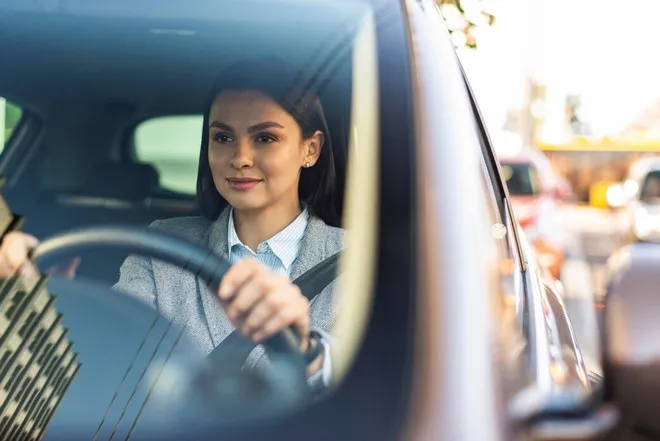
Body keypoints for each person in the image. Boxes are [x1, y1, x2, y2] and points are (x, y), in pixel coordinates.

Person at [0, 59, 344, 390]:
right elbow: (110, 352)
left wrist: (306, 353)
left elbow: (376, 386)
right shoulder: (162, 243)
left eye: (265, 138)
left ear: (310, 149)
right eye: (223, 138)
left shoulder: (357, 260)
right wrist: (43, 301)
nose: (240, 158)